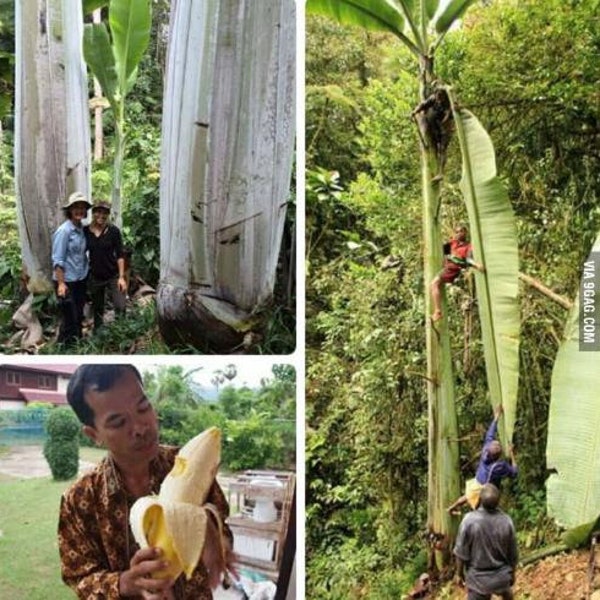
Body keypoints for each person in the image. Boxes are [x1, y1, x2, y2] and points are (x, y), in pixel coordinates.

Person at [58, 364, 235, 600]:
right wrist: (124, 583)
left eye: (143, 407)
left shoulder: (188, 464)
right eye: (118, 422)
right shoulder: (79, 500)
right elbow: (78, 575)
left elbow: (222, 522)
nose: (141, 427)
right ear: (94, 435)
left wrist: (217, 538)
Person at [447, 405, 517, 515]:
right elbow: (514, 473)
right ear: (498, 456)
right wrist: (512, 454)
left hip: (477, 480)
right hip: (484, 488)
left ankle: (452, 508)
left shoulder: (486, 449)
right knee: (481, 508)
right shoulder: (499, 466)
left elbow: (490, 433)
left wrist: (497, 416)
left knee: (467, 497)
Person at [454, 483, 518, 600]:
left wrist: (459, 574)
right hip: (502, 578)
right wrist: (512, 574)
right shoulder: (506, 521)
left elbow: (460, 551)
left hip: (478, 580)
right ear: (498, 502)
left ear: (480, 500)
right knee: (506, 592)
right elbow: (513, 554)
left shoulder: (469, 520)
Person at [52, 191, 91, 345]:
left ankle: (77, 342)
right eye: (76, 207)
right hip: (66, 281)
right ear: (70, 210)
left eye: (82, 207)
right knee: (70, 316)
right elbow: (58, 259)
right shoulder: (64, 231)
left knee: (79, 314)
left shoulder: (82, 229)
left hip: (80, 278)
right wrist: (61, 284)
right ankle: (64, 346)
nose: (79, 210)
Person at [84, 201, 127, 331]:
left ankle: (121, 331)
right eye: (98, 211)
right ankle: (98, 334)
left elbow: (120, 255)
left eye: (104, 212)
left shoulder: (113, 231)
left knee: (120, 305)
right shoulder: (85, 231)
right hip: (95, 276)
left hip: (113, 274)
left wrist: (121, 277)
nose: (101, 215)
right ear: (93, 213)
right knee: (97, 308)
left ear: (108, 214)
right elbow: (79, 251)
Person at [431, 224, 485, 322]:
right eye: (457, 232)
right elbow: (441, 249)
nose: (459, 234)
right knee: (435, 283)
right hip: (448, 267)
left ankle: (437, 311)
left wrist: (477, 265)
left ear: (465, 233)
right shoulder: (453, 243)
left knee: (434, 283)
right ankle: (437, 311)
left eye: (461, 231)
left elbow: (468, 259)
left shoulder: (469, 246)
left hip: (453, 269)